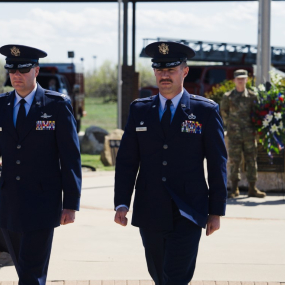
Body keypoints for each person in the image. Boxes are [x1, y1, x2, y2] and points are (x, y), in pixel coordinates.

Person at [114, 41, 227, 285]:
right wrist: (122, 202)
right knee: (158, 276)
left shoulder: (205, 111)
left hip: (188, 211)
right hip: (150, 209)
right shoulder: (140, 110)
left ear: (184, 72)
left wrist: (216, 211)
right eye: (160, 70)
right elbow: (126, 161)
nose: (164, 75)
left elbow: (218, 163)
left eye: (171, 70)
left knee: (175, 277)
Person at [0, 44, 82, 285]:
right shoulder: (1, 105)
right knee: (22, 268)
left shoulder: (56, 104)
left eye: (22, 70)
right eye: (12, 71)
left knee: (31, 274)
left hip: (42, 202)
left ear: (36, 70)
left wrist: (70, 204)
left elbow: (70, 157)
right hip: (7, 201)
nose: (16, 76)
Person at [220, 69, 266, 198]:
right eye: (238, 78)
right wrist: (231, 124)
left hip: (249, 134)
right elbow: (223, 112)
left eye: (243, 78)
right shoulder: (228, 97)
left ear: (247, 80)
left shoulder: (252, 96)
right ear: (234, 80)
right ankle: (234, 189)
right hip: (234, 134)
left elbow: (258, 114)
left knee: (251, 160)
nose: (240, 81)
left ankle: (252, 188)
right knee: (235, 161)